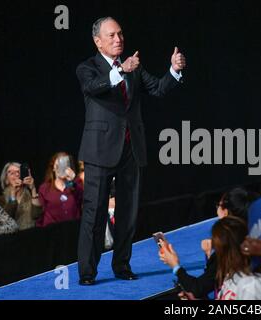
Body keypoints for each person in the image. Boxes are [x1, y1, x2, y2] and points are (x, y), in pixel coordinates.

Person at [76, 17, 186, 285]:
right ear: (97, 41)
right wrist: (120, 71)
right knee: (95, 212)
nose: (118, 39)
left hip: (130, 149)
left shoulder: (133, 67)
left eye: (120, 34)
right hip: (99, 151)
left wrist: (173, 71)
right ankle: (88, 273)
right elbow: (93, 88)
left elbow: (158, 89)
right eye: (111, 35)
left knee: (128, 211)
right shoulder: (87, 68)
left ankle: (122, 265)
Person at [159, 187, 259, 299]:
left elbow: (197, 289)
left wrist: (175, 265)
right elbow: (213, 279)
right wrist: (209, 255)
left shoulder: (228, 249)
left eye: (218, 205)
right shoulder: (259, 238)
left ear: (225, 212)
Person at [37, 152, 83, 227]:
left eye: (65, 165)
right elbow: (40, 214)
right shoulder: (45, 188)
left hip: (73, 229)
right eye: (59, 165)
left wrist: (74, 179)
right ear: (53, 168)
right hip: (52, 232)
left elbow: (84, 199)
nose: (62, 168)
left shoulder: (76, 184)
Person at [0, 162, 42, 230]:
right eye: (11, 173)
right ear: (6, 180)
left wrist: (33, 189)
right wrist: (13, 194)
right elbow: (5, 220)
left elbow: (37, 215)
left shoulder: (30, 197)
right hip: (10, 238)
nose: (16, 175)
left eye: (18, 172)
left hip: (30, 235)